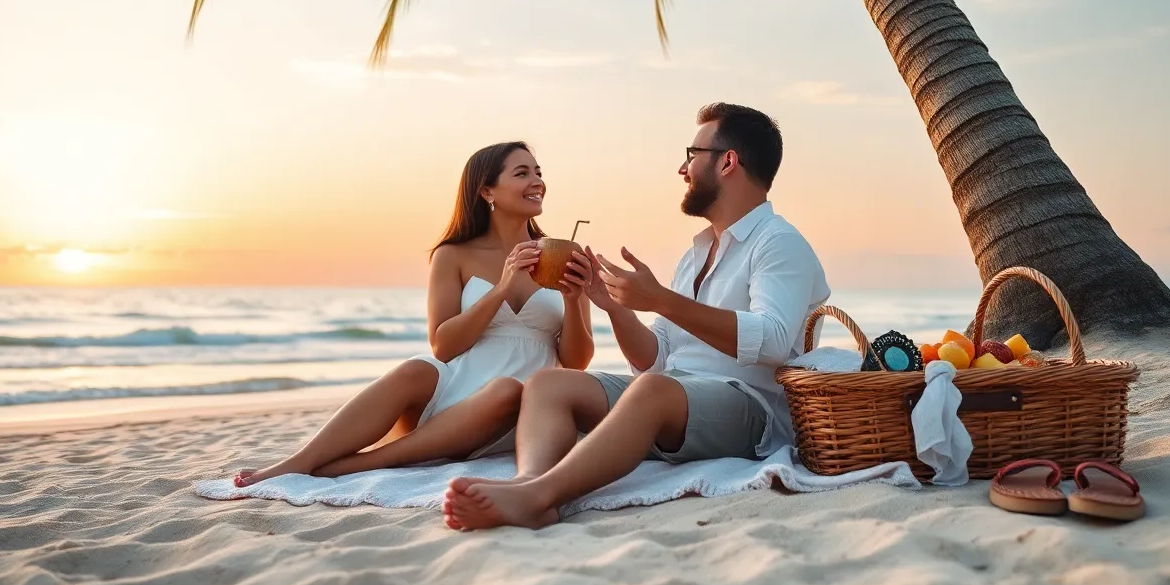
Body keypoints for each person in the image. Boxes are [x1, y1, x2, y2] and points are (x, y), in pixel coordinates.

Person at [442, 103, 830, 530]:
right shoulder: (697, 253)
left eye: (692, 154)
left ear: (728, 162)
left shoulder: (779, 243)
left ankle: (538, 496)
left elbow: (774, 339)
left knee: (650, 391)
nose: (683, 169)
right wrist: (614, 307)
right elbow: (657, 356)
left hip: (749, 408)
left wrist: (661, 299)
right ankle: (530, 484)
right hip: (675, 393)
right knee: (548, 384)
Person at [232, 142, 595, 487]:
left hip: (523, 411)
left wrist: (574, 298)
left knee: (506, 390)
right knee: (417, 367)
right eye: (521, 173)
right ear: (487, 191)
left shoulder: (564, 256)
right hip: (456, 401)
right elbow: (443, 347)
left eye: (538, 172)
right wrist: (501, 288)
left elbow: (576, 363)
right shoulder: (452, 255)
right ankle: (299, 462)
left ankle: (360, 463)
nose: (537, 182)